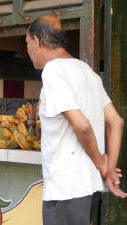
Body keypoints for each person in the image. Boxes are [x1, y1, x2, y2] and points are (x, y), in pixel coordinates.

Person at [25, 15, 127, 225]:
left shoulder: (53, 71)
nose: (28, 50)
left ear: (36, 41)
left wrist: (101, 163)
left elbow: (81, 125)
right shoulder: (86, 72)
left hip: (65, 191)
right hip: (87, 190)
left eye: (27, 43)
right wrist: (109, 169)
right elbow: (116, 122)